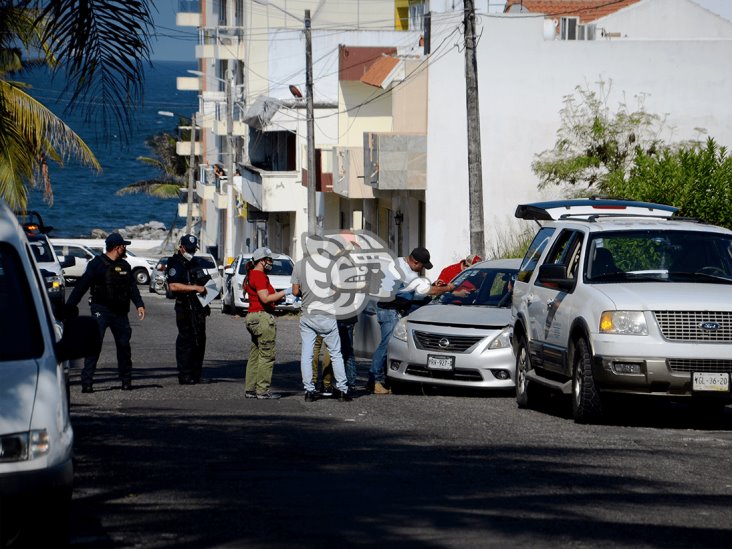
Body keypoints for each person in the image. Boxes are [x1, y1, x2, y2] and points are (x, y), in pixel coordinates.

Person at [65, 233, 145, 393]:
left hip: (120, 313)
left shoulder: (125, 265)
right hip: (101, 310)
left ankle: (126, 381)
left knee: (124, 346)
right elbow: (82, 286)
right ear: (117, 247)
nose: (125, 248)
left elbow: (132, 288)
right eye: (124, 246)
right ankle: (87, 382)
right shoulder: (96, 264)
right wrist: (69, 306)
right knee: (94, 346)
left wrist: (139, 304)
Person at [368, 247, 454, 394]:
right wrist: (448, 288)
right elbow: (427, 291)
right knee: (387, 345)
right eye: (422, 266)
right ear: (415, 262)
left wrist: (434, 285)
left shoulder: (399, 262)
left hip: (390, 309)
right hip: (388, 311)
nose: (421, 269)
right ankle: (375, 380)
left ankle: (382, 380)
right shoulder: (405, 272)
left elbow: (416, 290)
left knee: (390, 345)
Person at [291, 259, 352, 402]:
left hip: (308, 316)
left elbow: (294, 291)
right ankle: (343, 390)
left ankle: (309, 391)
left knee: (307, 354)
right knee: (336, 353)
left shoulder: (299, 265)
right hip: (327, 316)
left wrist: (305, 294)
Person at [244, 247, 289, 400]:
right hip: (262, 318)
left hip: (252, 316)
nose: (271, 262)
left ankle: (250, 389)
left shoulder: (252, 274)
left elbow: (267, 295)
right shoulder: (259, 276)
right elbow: (265, 298)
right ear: (262, 261)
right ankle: (262, 390)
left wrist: (278, 297)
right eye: (269, 260)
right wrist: (286, 292)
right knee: (267, 355)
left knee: (255, 354)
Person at [166, 234, 212, 385]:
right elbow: (173, 286)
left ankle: (196, 374)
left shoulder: (194, 262)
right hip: (184, 306)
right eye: (189, 249)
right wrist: (195, 288)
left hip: (198, 307)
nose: (191, 252)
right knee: (186, 341)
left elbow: (203, 281)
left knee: (200, 340)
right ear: (182, 247)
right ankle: (185, 375)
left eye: (193, 249)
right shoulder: (175, 263)